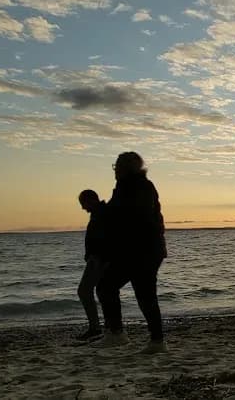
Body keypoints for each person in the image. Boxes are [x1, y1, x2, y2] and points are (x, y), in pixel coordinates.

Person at [97, 151, 167, 353]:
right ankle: (153, 340)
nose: (115, 170)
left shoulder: (138, 187)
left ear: (126, 169)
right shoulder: (130, 186)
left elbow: (133, 217)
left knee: (109, 287)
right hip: (142, 249)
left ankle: (120, 334)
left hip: (140, 250)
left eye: (117, 166)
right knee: (142, 294)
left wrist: (107, 213)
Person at [77, 189, 110, 341]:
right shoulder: (99, 213)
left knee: (85, 290)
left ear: (91, 200)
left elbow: (104, 238)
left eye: (83, 203)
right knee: (102, 291)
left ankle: (96, 327)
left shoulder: (102, 214)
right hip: (97, 258)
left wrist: (97, 258)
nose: (82, 207)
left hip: (99, 259)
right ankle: (103, 326)